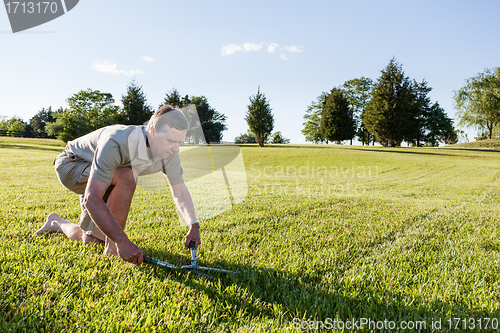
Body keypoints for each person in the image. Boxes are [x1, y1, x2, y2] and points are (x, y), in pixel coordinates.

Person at [33, 105, 201, 264]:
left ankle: (56, 222)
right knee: (127, 175)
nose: (176, 149)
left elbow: (179, 189)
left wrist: (193, 224)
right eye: (171, 141)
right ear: (152, 131)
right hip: (72, 164)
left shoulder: (169, 153)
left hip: (105, 175)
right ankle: (113, 251)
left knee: (91, 242)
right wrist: (121, 241)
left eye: (179, 142)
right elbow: (92, 199)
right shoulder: (117, 141)